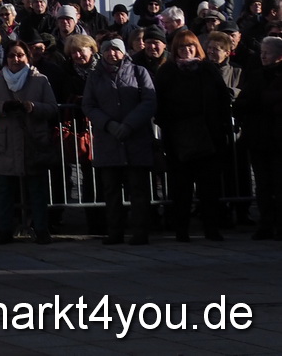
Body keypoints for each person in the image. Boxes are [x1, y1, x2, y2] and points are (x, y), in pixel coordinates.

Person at [0, 41, 58, 245]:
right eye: (12, 55)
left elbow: (51, 107)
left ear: (27, 57)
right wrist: (3, 106)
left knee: (37, 190)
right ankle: (5, 230)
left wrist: (34, 107)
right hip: (4, 142)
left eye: (20, 55)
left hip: (32, 140)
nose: (16, 59)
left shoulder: (40, 80)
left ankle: (41, 229)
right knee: (4, 190)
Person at [154, 31, 232, 242]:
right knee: (181, 187)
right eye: (182, 47)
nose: (187, 50)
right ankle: (181, 230)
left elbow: (222, 99)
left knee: (209, 187)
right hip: (178, 137)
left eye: (190, 46)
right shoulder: (167, 72)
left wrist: (223, 127)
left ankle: (211, 229)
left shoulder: (208, 69)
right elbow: (159, 105)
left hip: (208, 135)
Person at [82, 37, 156, 245]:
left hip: (136, 141)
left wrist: (129, 124)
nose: (111, 54)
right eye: (107, 50)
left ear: (123, 52)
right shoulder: (94, 76)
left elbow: (149, 101)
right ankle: (115, 232)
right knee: (111, 192)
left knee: (138, 191)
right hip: (108, 142)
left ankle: (140, 232)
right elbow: (88, 105)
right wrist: (109, 125)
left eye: (115, 50)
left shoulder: (139, 72)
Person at [234, 36, 282, 239]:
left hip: (279, 138)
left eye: (267, 52)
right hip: (259, 137)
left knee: (280, 183)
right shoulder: (255, 76)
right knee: (262, 185)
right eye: (261, 52)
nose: (262, 56)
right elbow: (241, 104)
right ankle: (266, 224)